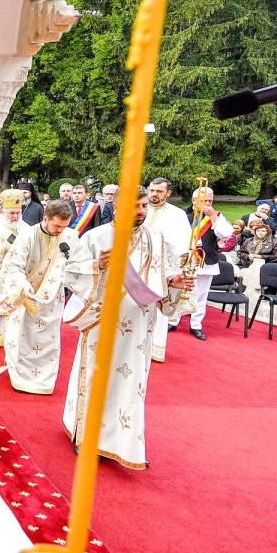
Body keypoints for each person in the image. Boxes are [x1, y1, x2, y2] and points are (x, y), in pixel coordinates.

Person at [62, 187, 190, 469]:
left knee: (132, 384)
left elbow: (164, 274)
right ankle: (87, 436)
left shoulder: (156, 239)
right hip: (102, 321)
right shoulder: (97, 236)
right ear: (118, 207)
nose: (141, 211)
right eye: (135, 206)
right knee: (98, 377)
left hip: (140, 326)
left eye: (144, 205)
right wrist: (96, 265)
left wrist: (175, 283)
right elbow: (70, 272)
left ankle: (125, 441)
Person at [1, 200, 77, 394]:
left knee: (48, 339)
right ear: (46, 218)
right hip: (26, 294)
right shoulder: (28, 235)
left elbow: (76, 266)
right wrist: (22, 285)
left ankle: (44, 380)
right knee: (22, 337)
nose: (61, 230)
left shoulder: (70, 237)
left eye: (64, 226)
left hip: (52, 298)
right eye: (57, 226)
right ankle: (20, 376)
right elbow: (13, 265)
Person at [143, 177, 191, 362]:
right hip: (138, 265)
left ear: (168, 193)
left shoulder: (177, 215)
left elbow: (182, 243)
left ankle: (156, 347)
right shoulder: (140, 207)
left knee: (160, 305)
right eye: (152, 190)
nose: (154, 194)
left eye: (159, 191)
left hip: (163, 267)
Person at [181, 185, 233, 341]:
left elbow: (225, 233)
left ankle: (196, 325)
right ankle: (173, 320)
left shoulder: (215, 215)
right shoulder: (182, 214)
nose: (208, 203)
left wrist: (213, 217)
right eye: (204, 201)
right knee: (179, 291)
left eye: (210, 200)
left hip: (206, 259)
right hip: (185, 258)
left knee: (201, 295)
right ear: (194, 200)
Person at [0, 189, 27, 346]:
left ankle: (15, 335)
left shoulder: (26, 228)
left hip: (19, 273)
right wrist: (3, 248)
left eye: (17, 213)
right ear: (3, 211)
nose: (15, 216)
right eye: (12, 213)